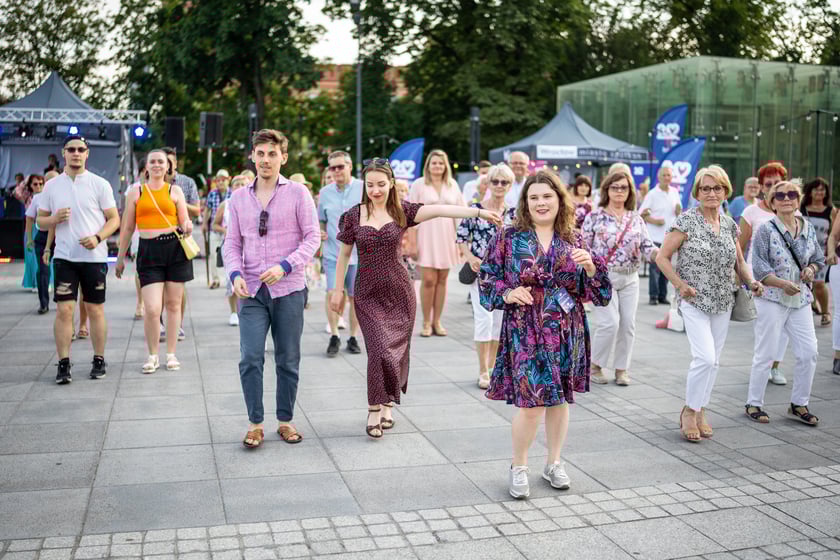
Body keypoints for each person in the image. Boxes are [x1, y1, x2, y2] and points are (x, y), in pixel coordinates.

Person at [331, 158, 503, 439]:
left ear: (390, 185)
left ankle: (387, 403)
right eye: (371, 185)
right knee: (378, 351)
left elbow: (441, 210)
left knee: (395, 351)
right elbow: (344, 256)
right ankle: (374, 408)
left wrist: (479, 213)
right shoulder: (353, 216)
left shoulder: (402, 211)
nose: (376, 190)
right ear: (365, 186)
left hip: (400, 291)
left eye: (381, 184)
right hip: (367, 293)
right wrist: (338, 291)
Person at [479, 169, 610, 499]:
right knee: (532, 402)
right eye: (534, 197)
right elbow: (486, 278)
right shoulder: (509, 238)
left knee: (560, 399)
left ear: (559, 200)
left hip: (566, 327)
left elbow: (599, 293)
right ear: (525, 202)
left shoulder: (574, 239)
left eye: (547, 196)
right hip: (525, 327)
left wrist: (592, 268)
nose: (540, 202)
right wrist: (507, 293)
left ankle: (553, 462)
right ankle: (519, 465)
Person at [224, 129, 320, 449]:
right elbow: (232, 243)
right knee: (250, 357)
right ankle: (255, 423)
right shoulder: (238, 198)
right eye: (260, 153)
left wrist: (285, 266)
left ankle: (285, 420)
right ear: (252, 156)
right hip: (250, 290)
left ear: (284, 158)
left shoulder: (298, 194)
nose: (266, 159)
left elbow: (312, 238)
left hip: (289, 288)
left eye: (272, 153)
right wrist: (235, 272)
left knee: (287, 359)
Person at [655, 165, 761, 442]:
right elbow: (662, 257)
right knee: (705, 357)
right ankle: (689, 410)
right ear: (697, 192)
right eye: (705, 188)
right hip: (694, 300)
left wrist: (752, 282)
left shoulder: (728, 224)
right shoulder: (687, 221)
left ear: (726, 191)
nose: (711, 193)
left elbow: (739, 262)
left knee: (714, 363)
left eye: (717, 188)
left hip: (724, 300)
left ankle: (701, 408)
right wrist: (680, 286)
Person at [37, 135, 120, 384]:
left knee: (95, 309)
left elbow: (114, 219)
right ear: (63, 153)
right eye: (71, 149)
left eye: (80, 149)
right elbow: (41, 221)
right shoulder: (52, 186)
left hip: (94, 257)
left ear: (87, 153)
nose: (76, 153)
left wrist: (98, 237)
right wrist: (53, 220)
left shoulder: (99, 184)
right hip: (64, 257)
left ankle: (99, 358)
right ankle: (63, 362)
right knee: (64, 310)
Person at [745, 180, 823, 426]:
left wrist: (810, 268)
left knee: (809, 352)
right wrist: (781, 284)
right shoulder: (766, 230)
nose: (786, 198)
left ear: (798, 200)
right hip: (772, 300)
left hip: (800, 300)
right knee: (766, 353)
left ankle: (799, 404)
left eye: (791, 194)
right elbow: (758, 266)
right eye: (780, 195)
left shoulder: (808, 227)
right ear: (771, 202)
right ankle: (753, 403)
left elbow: (818, 258)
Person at [116, 149, 194, 372]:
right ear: (146, 167)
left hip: (175, 250)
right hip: (149, 251)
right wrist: (120, 258)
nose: (158, 165)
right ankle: (152, 355)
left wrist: (187, 227)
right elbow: (128, 227)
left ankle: (170, 353)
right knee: (151, 308)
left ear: (168, 166)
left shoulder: (175, 190)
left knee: (173, 304)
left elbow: (185, 221)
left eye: (162, 162)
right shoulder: (136, 192)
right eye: (153, 162)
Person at [583, 169, 657, 386]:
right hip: (602, 277)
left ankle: (621, 369)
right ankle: (595, 365)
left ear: (630, 191)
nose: (619, 191)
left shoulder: (635, 218)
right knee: (610, 323)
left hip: (630, 277)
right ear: (606, 189)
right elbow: (583, 247)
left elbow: (647, 246)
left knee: (627, 325)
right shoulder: (594, 217)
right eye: (614, 187)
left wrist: (662, 255)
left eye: (623, 187)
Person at [457, 164, 516, 389]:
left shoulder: (514, 214)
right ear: (488, 184)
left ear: (510, 186)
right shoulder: (476, 209)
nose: (499, 186)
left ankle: (492, 368)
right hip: (480, 273)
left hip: (506, 275)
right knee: (484, 319)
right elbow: (461, 237)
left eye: (504, 182)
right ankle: (482, 370)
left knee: (499, 323)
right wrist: (469, 256)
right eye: (495, 181)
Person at [739, 161, 790, 385]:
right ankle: (761, 367)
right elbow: (739, 247)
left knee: (785, 326)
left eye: (777, 183)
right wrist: (740, 276)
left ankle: (775, 367)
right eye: (768, 184)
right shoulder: (751, 211)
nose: (772, 187)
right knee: (765, 327)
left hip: (787, 278)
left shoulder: (791, 209)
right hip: (759, 278)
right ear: (761, 187)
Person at [409, 149, 465, 337]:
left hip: (447, 235)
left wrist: (461, 241)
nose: (437, 166)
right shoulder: (419, 185)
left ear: (445, 166)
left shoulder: (452, 185)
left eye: (441, 163)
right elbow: (410, 213)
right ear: (428, 165)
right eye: (434, 163)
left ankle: (437, 321)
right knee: (428, 280)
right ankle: (425, 322)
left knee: (442, 280)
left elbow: (460, 212)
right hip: (426, 234)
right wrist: (412, 242)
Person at [318, 151, 363, 356]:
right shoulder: (325, 193)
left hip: (359, 255)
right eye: (332, 168)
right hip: (332, 254)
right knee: (331, 294)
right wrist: (320, 232)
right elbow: (321, 220)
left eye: (340, 167)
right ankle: (334, 335)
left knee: (355, 297)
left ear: (349, 166)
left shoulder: (363, 188)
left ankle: (353, 337)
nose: (336, 171)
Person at [162, 147, 200, 341]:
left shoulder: (186, 183)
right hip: (157, 241)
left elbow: (197, 210)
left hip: (179, 239)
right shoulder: (150, 184)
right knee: (158, 287)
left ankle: (177, 324)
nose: (165, 166)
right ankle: (160, 323)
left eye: (169, 162)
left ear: (175, 163)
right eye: (162, 161)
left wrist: (177, 202)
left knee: (178, 288)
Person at [640, 166, 681, 305]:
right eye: (664, 175)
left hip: (669, 237)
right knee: (655, 267)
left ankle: (663, 296)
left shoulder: (675, 192)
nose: (666, 178)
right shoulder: (652, 193)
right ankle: (653, 296)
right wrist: (654, 220)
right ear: (659, 177)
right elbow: (642, 214)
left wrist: (678, 211)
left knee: (667, 268)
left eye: (669, 175)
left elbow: (678, 213)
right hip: (654, 236)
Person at [212, 174, 250, 326]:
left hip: (250, 248)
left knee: (249, 279)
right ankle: (234, 312)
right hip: (231, 247)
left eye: (243, 184)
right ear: (231, 187)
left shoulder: (255, 203)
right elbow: (214, 224)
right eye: (237, 184)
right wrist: (226, 231)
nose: (240, 187)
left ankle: (247, 310)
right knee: (232, 279)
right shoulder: (226, 204)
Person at [800, 177, 835, 327]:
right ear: (810, 191)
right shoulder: (802, 208)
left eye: (823, 189)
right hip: (802, 252)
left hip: (822, 253)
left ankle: (826, 312)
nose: (820, 192)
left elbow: (834, 233)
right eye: (816, 189)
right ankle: (810, 307)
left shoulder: (830, 210)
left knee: (820, 284)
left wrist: (831, 251)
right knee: (804, 282)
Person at [24, 175, 53, 313]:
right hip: (42, 235)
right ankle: (44, 303)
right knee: (43, 270)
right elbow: (29, 219)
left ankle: (63, 300)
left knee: (64, 269)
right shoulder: (38, 198)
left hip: (61, 236)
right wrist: (30, 238)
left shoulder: (67, 195)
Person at [203, 169, 231, 289]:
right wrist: (204, 224)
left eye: (223, 180)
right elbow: (207, 210)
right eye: (218, 180)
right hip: (214, 229)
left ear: (228, 180)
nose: (221, 182)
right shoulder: (212, 193)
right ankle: (215, 279)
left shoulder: (233, 193)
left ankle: (229, 278)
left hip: (229, 231)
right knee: (213, 255)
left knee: (228, 256)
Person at [20, 175, 44, 292]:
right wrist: (28, 178)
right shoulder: (27, 197)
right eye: (35, 184)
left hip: (42, 227)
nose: (38, 186)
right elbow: (17, 191)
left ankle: (44, 282)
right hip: (31, 228)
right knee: (31, 256)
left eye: (40, 183)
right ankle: (35, 283)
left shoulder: (46, 197)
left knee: (43, 256)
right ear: (30, 185)